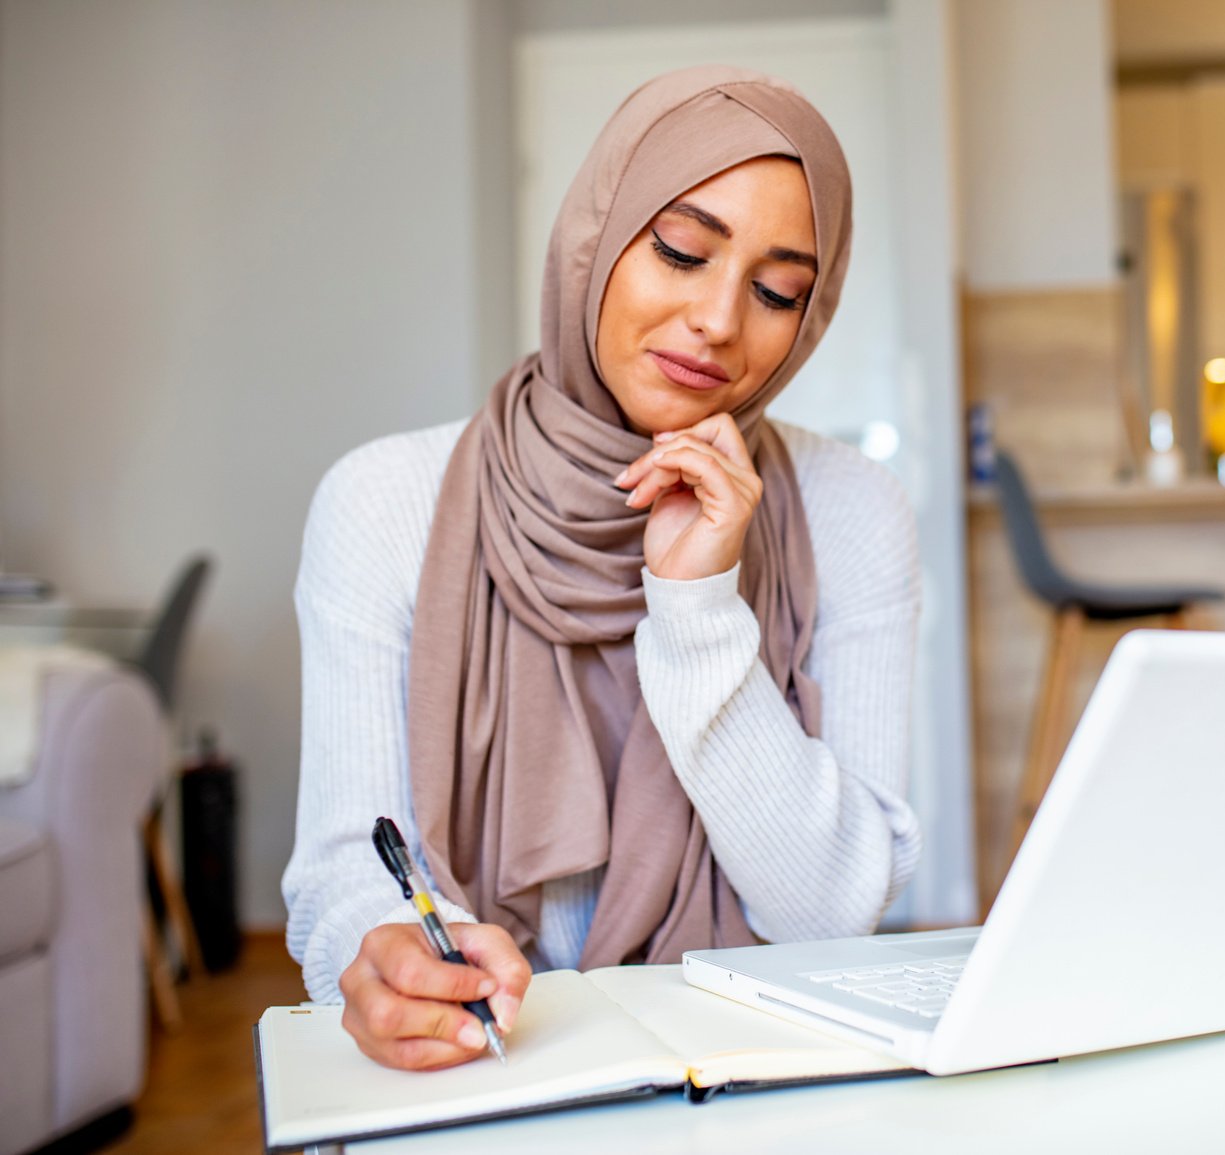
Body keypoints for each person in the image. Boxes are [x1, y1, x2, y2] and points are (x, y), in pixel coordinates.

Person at [282, 66, 922, 1071]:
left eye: (775, 291)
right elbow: (341, 879)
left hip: (743, 1082)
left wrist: (697, 606)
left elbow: (830, 916)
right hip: (483, 1072)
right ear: (596, 237)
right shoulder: (383, 503)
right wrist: (391, 959)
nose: (718, 319)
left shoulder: (853, 511)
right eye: (680, 250)